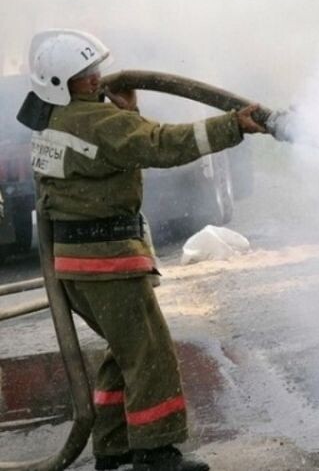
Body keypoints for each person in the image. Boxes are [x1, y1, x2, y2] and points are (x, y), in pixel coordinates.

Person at [28, 29, 266, 471]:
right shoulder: (97, 121)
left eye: (94, 68)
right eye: (85, 73)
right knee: (150, 354)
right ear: (61, 82)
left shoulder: (57, 120)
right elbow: (160, 144)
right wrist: (233, 125)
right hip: (107, 263)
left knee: (126, 352)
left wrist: (130, 112)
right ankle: (156, 453)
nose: (96, 77)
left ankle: (113, 446)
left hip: (78, 267)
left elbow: (112, 151)